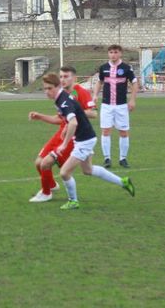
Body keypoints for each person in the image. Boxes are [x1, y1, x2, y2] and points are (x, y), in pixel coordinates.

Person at [39, 72, 135, 210]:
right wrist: (66, 127)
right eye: (44, 89)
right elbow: (71, 119)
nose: (47, 92)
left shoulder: (63, 101)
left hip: (84, 140)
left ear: (57, 86)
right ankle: (123, 182)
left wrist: (64, 144)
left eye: (49, 88)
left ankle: (73, 201)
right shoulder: (61, 98)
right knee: (88, 170)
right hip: (85, 137)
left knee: (64, 173)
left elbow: (73, 122)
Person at [28, 66, 97, 202]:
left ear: (74, 78)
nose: (63, 79)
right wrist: (40, 116)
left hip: (74, 136)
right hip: (62, 132)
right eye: (61, 76)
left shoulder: (77, 94)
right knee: (38, 163)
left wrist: (76, 114)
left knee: (47, 164)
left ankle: (47, 193)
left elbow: (92, 114)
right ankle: (51, 185)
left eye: (66, 76)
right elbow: (59, 119)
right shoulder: (59, 97)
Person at [92, 44, 138, 168]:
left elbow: (134, 83)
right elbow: (100, 82)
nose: (113, 54)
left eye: (116, 52)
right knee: (106, 131)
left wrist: (132, 100)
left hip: (121, 105)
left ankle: (123, 158)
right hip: (106, 105)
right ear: (108, 54)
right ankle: (107, 158)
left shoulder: (126, 68)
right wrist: (95, 95)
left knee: (123, 132)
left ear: (120, 53)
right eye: (111, 52)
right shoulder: (103, 68)